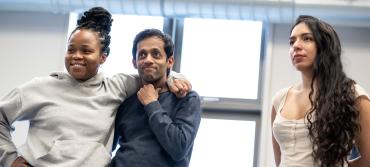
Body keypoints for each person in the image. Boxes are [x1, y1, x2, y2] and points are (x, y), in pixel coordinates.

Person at [0, 7, 190, 167]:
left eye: (86, 51)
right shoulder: (40, 87)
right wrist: (9, 158)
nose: (76, 56)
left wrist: (175, 77)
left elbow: (153, 74)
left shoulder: (117, 87)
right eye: (71, 49)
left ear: (103, 57)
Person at [271, 15, 370, 167]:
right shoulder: (280, 99)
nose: (296, 46)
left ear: (324, 47)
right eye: (292, 41)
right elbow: (279, 161)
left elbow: (366, 160)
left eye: (307, 39)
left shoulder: (353, 95)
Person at [110, 29, 201, 167]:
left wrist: (152, 104)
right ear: (135, 62)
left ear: (169, 61)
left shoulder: (187, 98)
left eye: (156, 54)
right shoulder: (126, 101)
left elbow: (179, 148)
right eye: (142, 55)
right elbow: (106, 146)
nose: (148, 60)